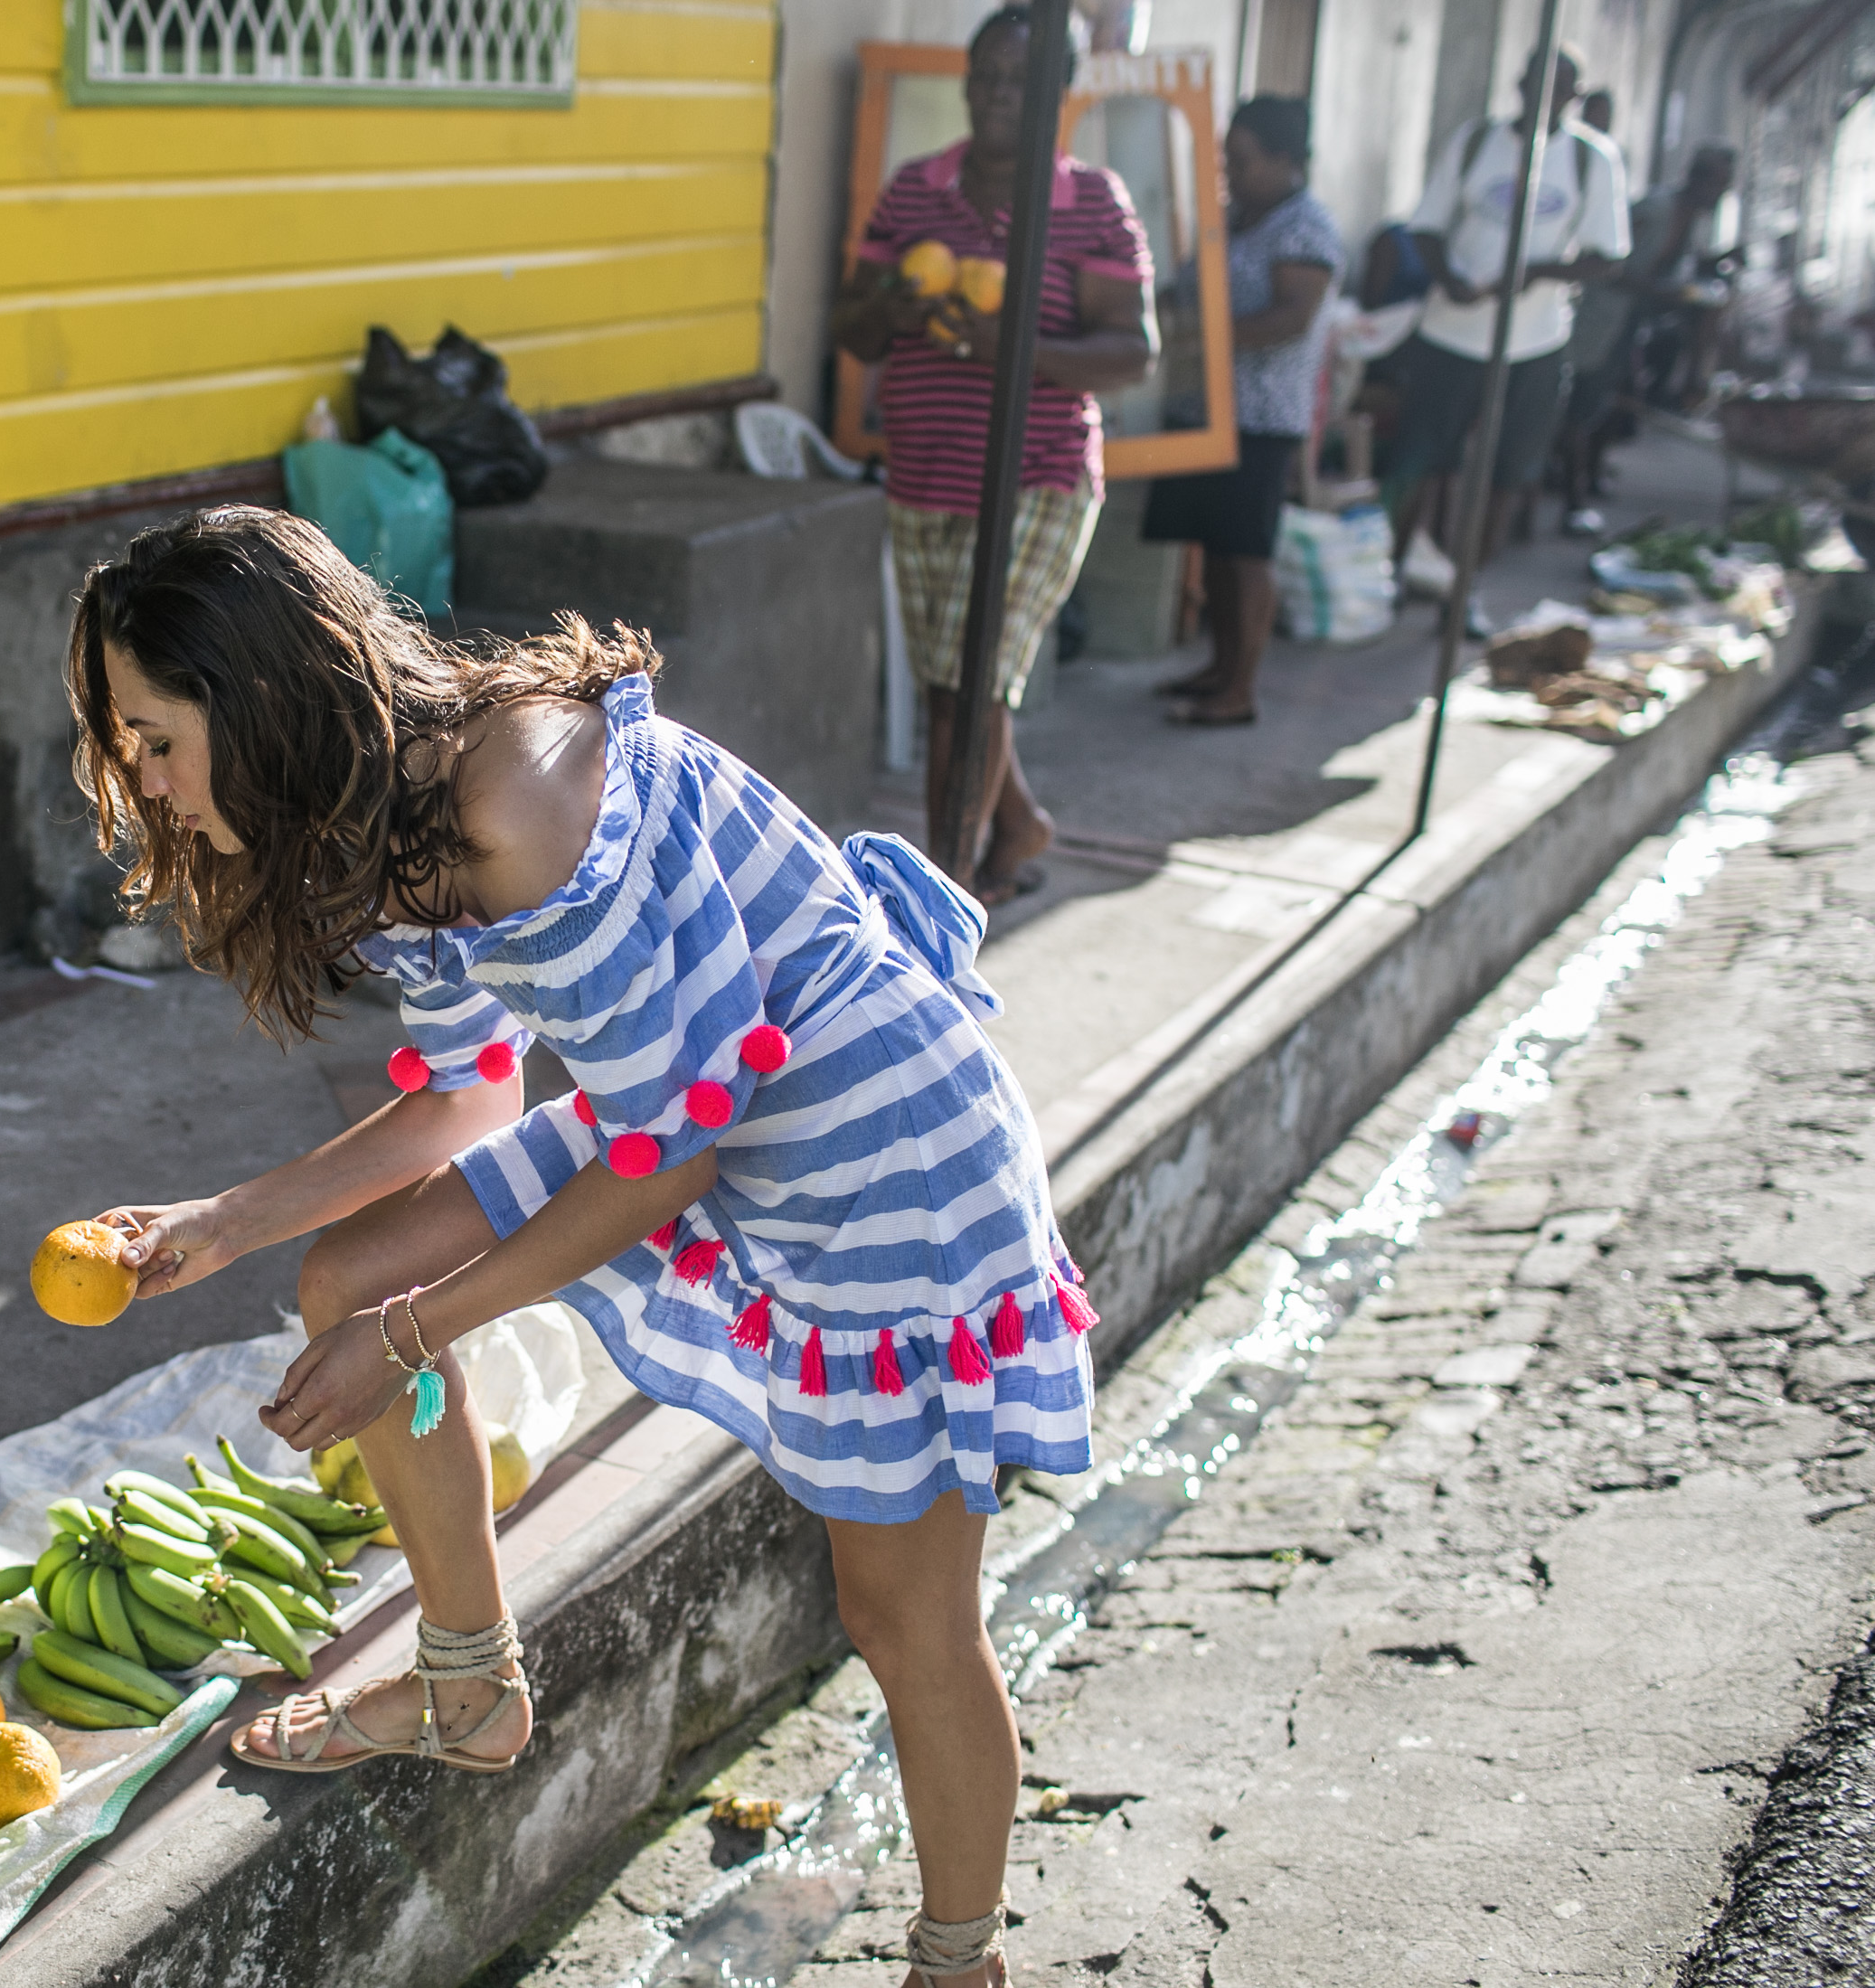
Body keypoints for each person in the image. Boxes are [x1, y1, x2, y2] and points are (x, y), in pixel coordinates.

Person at [67, 507, 1098, 1988]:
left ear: (259, 698)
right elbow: (466, 1099)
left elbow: (658, 1167)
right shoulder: (400, 817)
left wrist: (412, 1337)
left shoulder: (523, 801)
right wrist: (217, 1221)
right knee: (340, 1275)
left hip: (878, 1148)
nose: (147, 785)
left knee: (903, 1612)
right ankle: (466, 1681)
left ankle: (959, 1960)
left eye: (156, 737)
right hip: (696, 1098)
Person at [827, 5, 1156, 906]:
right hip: (924, 471)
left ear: (1060, 91)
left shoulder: (1089, 201)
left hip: (1035, 477)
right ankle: (1016, 824)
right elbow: (850, 327)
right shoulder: (911, 192)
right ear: (965, 81)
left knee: (968, 685)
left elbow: (1130, 351)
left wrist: (1002, 342)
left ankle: (944, 889)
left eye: (1022, 80)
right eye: (987, 76)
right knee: (956, 685)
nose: (1000, 96)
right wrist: (891, 308)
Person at [1379, 46, 1629, 591]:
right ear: (1518, 83)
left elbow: (1607, 257)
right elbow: (1426, 227)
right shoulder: (1476, 144)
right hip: (1451, 333)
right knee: (1420, 462)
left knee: (1507, 474)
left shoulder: (1592, 160)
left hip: (1534, 342)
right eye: (1536, 82)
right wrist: (1452, 280)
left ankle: (1465, 589)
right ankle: (1392, 576)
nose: (1545, 96)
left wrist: (1539, 270)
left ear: (1574, 96)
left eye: (1559, 88)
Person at [1139, 96, 1343, 725]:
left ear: (1286, 160)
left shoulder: (1305, 226)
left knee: (1247, 551)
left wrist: (1208, 333)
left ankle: (1241, 688)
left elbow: (1291, 317)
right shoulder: (1230, 218)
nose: (1232, 172)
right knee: (1216, 548)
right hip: (1203, 404)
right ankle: (1218, 666)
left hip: (1259, 414)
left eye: (1244, 161)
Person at [1557, 146, 1735, 532]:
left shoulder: (1693, 221)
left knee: (1618, 400)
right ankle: (1571, 500)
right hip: (1603, 318)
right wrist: (1663, 291)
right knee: (1582, 407)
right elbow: (1608, 265)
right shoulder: (1654, 211)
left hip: (1634, 321)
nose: (1720, 195)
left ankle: (1590, 478)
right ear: (1699, 179)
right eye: (1718, 185)